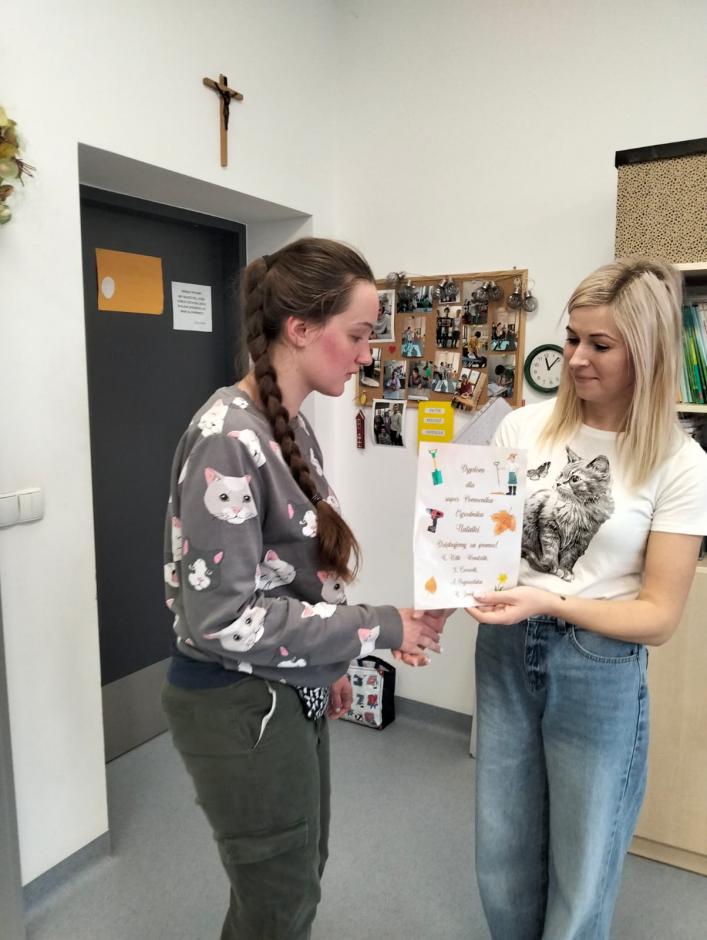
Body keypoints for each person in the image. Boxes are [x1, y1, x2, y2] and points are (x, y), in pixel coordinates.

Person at [160, 237, 447, 940]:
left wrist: (329, 662)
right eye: (357, 334)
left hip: (283, 686)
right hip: (237, 699)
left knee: (297, 876)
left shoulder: (289, 429)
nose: (365, 354)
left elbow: (292, 571)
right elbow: (224, 618)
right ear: (299, 328)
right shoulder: (228, 438)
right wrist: (379, 626)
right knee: (277, 900)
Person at [466, 258, 707, 940]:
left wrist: (550, 604)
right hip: (505, 649)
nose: (575, 358)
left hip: (598, 663)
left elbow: (657, 616)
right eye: (571, 337)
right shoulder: (522, 428)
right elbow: (480, 540)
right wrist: (450, 583)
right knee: (502, 843)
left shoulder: (680, 463)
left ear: (647, 354)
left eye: (600, 345)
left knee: (585, 853)